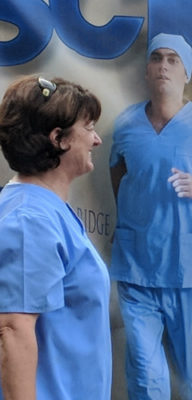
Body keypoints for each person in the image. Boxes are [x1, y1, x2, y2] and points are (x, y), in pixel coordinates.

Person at [109, 33, 192, 399]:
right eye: (157, 58)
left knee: (189, 377)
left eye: (173, 59)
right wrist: (130, 220)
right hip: (136, 268)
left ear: (186, 73)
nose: (164, 65)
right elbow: (117, 173)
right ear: (148, 69)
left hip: (190, 272)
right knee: (146, 374)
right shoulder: (125, 125)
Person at [0, 76, 110, 399]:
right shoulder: (28, 220)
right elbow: (12, 330)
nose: (97, 139)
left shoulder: (44, 211)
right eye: (88, 128)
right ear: (59, 139)